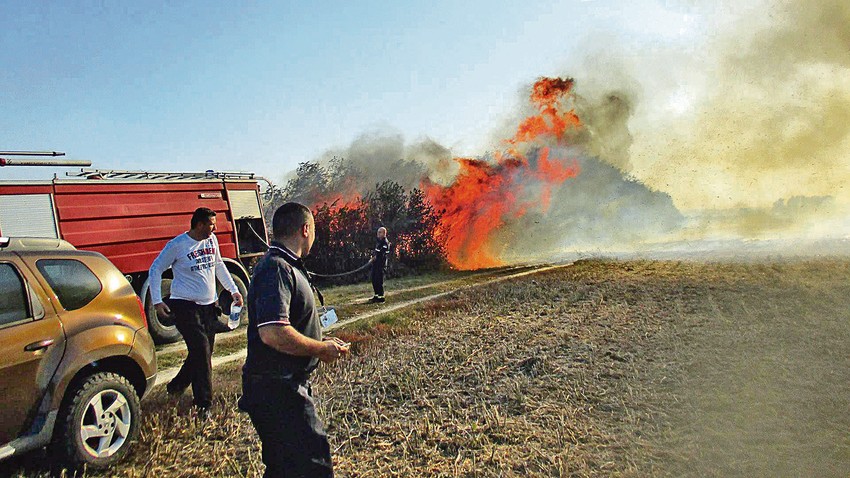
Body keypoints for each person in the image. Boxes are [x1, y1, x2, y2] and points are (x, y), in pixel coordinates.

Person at [238, 202, 349, 478]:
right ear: (305, 229)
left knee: (283, 468)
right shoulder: (276, 269)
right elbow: (272, 332)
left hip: (282, 385)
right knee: (314, 467)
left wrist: (319, 337)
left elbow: (288, 323)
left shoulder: (286, 265)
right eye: (314, 230)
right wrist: (321, 348)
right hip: (278, 389)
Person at [149, 207, 243, 416]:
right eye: (211, 225)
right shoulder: (177, 245)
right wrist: (156, 301)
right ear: (199, 224)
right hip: (185, 306)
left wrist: (233, 290)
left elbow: (218, 265)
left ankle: (176, 386)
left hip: (209, 306)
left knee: (203, 352)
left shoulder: (212, 241)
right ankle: (203, 404)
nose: (214, 229)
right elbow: (155, 269)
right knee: (201, 351)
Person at [368, 226, 390, 303]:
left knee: (378, 280)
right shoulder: (379, 242)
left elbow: (381, 253)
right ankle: (376, 296)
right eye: (378, 232)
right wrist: (372, 256)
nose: (378, 233)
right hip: (375, 264)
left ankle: (381, 298)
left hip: (381, 265)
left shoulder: (385, 243)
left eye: (380, 232)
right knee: (374, 280)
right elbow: (376, 252)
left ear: (384, 233)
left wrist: (374, 258)